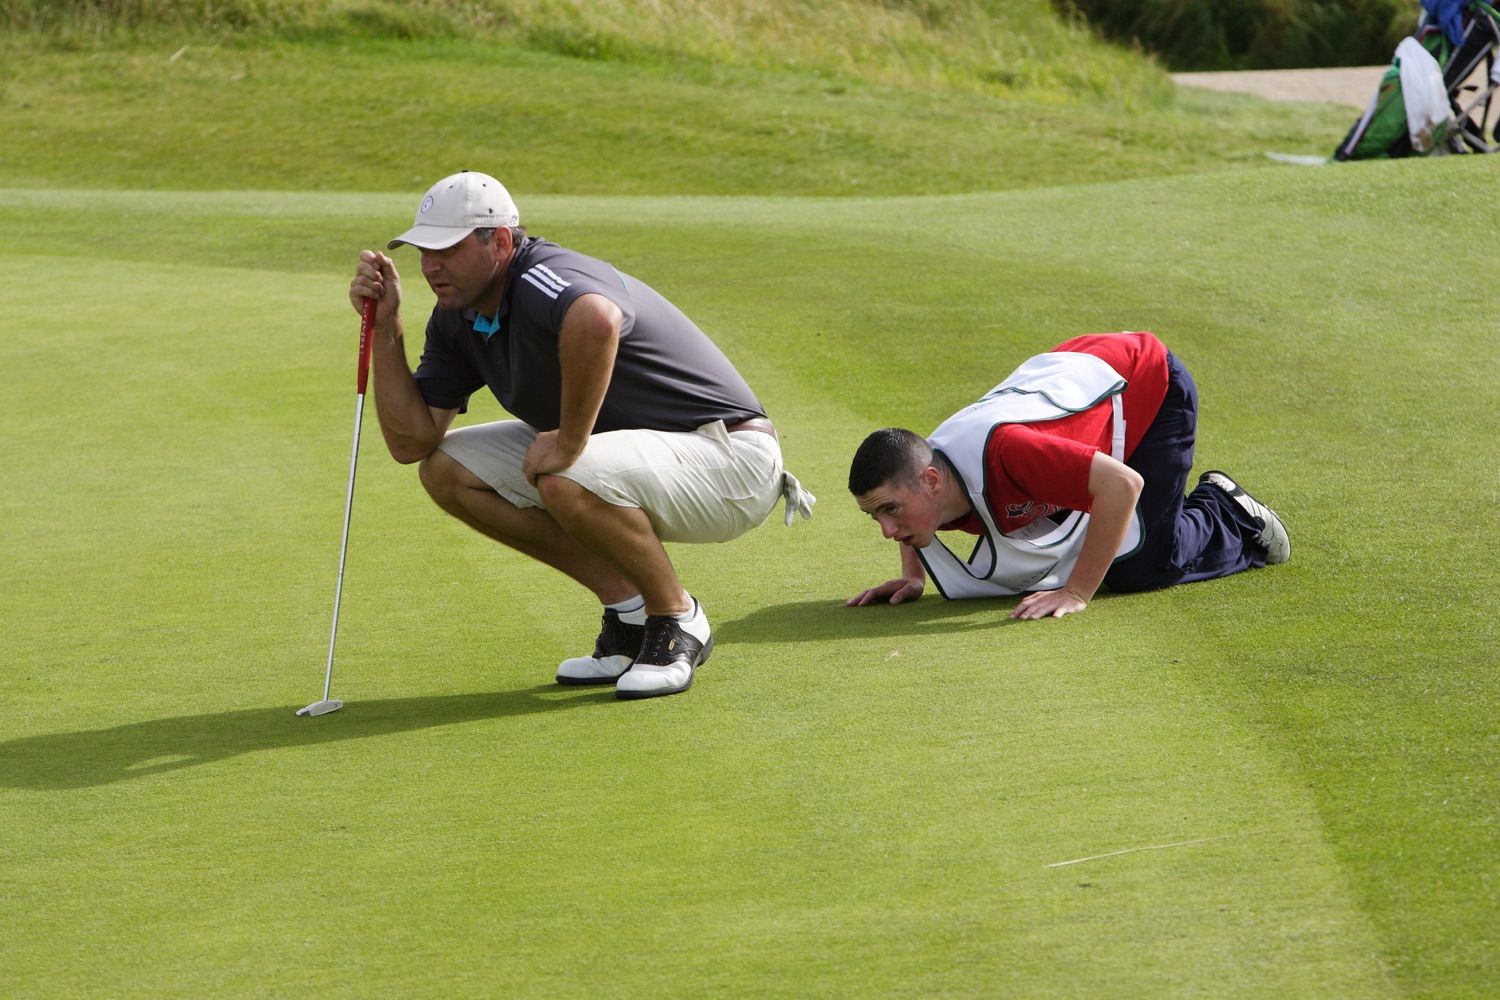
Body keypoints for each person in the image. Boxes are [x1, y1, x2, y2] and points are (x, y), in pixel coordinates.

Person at [349, 170, 813, 699]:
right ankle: (631, 612)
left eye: (447, 250)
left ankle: (677, 617)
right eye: (423, 252)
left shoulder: (541, 276)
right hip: (641, 464)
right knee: (447, 469)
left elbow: (595, 319)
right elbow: (412, 443)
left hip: (730, 460)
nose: (431, 266)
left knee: (564, 471)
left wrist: (568, 441)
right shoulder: (458, 318)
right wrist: (386, 327)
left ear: (499, 241)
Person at [846, 331, 1288, 617]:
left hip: (1145, 382)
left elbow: (1122, 484)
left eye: (890, 511)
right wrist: (913, 577)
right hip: (1078, 377)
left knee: (1140, 569)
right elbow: (910, 495)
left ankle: (1228, 510)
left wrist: (1076, 593)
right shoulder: (929, 474)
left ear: (931, 482)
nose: (887, 530)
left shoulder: (1008, 455)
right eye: (876, 517)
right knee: (1076, 529)